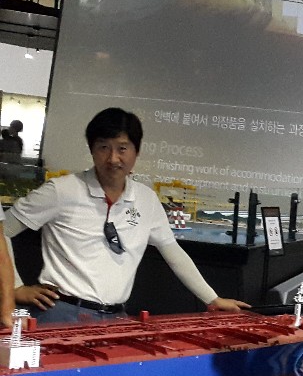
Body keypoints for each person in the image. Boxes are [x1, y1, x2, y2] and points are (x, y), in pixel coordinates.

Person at [5, 107, 249, 323]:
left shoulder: (146, 199)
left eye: (122, 148)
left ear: (136, 151)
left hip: (116, 317)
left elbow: (173, 252)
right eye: (103, 147)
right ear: (92, 149)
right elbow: (3, 230)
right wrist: (15, 287)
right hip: (61, 313)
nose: (113, 158)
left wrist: (212, 299)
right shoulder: (62, 190)